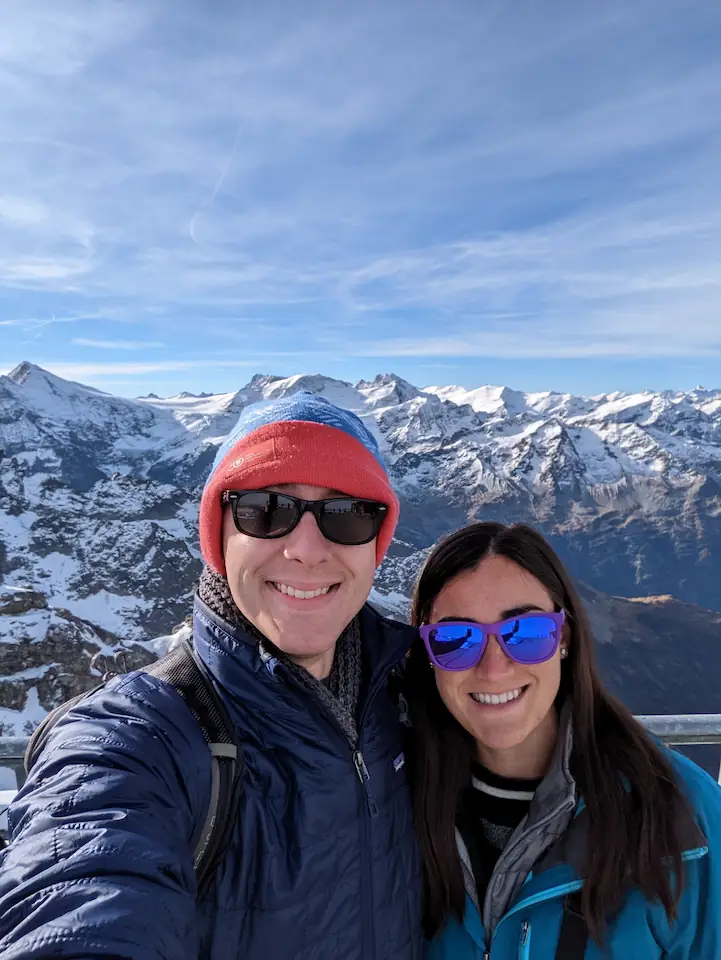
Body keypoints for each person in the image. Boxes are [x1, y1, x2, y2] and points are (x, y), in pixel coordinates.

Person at [0, 392, 423, 960]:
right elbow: (83, 883)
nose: (305, 549)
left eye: (346, 515)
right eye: (265, 510)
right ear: (219, 536)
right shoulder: (145, 739)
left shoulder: (413, 702)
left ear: (377, 543)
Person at [404, 521, 721, 959]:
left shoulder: (681, 813)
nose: (493, 668)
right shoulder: (390, 804)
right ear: (429, 656)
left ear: (563, 638)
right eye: (456, 639)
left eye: (527, 634)